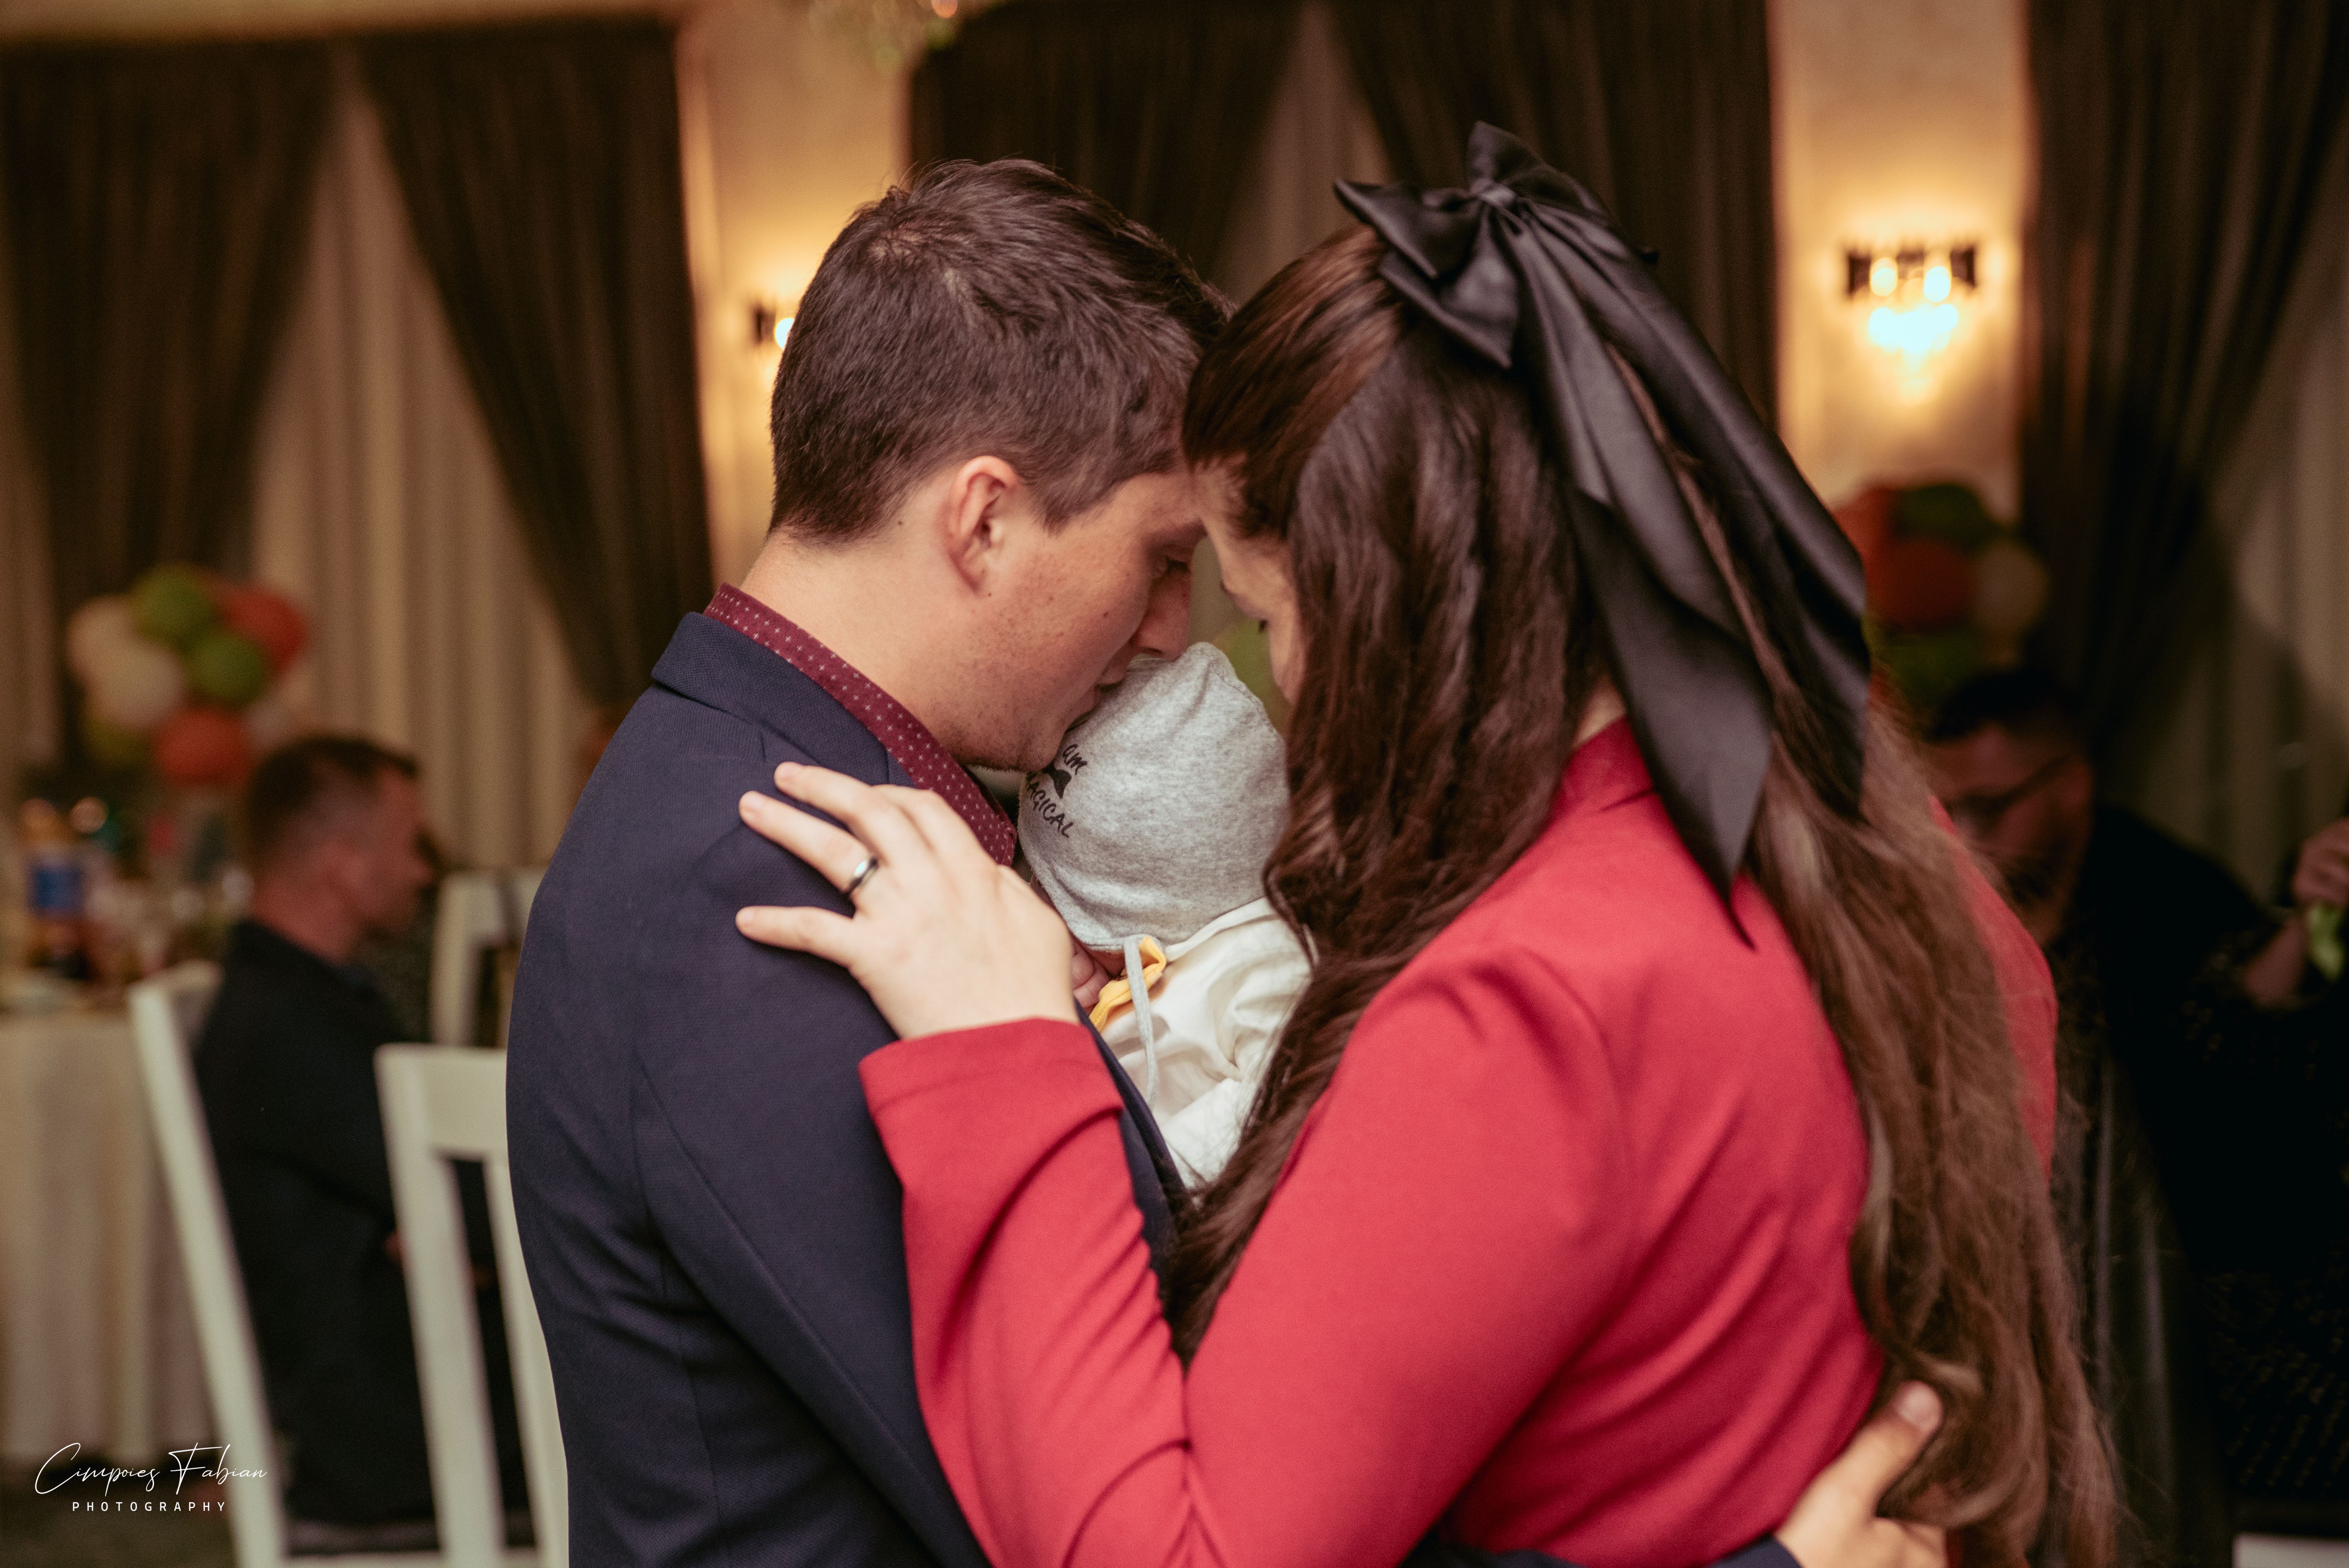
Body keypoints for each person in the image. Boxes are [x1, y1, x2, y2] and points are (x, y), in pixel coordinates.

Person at [512, 152, 1972, 1568]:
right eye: (1162, 559)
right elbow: (1112, 1480)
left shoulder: (850, 806)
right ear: (984, 518)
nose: (1176, 634)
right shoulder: (759, 878)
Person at [1927, 670, 2349, 1540]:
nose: (1964, 835)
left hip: (2210, 1309)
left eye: (1991, 807)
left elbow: (2222, 1080)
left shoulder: (2169, 902)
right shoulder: (1950, 915)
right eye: (1945, 811)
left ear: (2071, 785)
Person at [197, 736, 524, 1530]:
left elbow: (451, 1200)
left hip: (399, 1380)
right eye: (408, 844)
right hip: (395, 1431)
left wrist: (445, 1230)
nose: (421, 872)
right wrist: (459, 1232)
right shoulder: (288, 1025)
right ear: (343, 865)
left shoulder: (301, 991)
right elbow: (483, 1206)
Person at [1021, 642, 1307, 1185]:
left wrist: (1149, 1174)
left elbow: (1279, 1098)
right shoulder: (1092, 963)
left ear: (1154, 913)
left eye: (1071, 907)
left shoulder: (1266, 970)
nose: (1038, 908)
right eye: (1036, 876)